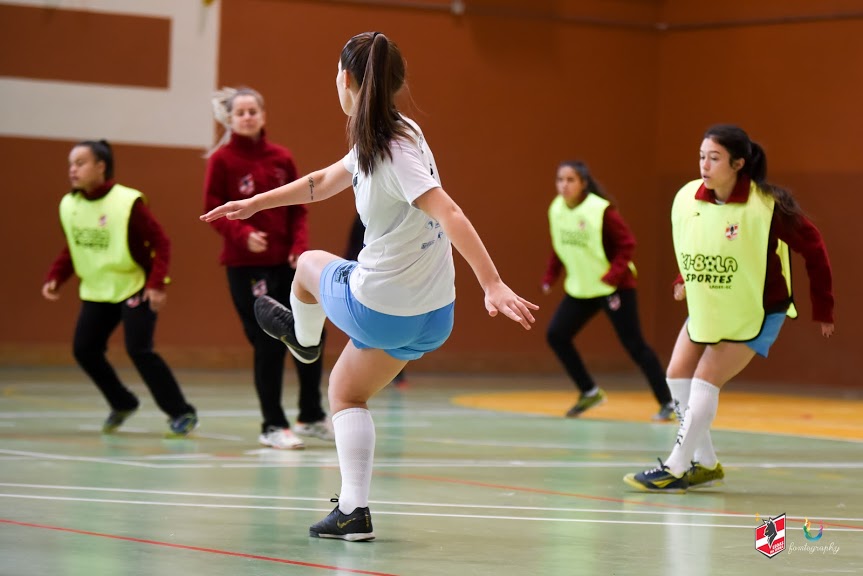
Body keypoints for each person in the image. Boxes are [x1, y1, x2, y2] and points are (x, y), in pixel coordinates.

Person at [201, 31, 538, 541]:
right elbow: (321, 181)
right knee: (347, 392)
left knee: (309, 263)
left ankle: (305, 340)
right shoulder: (397, 132)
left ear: (346, 80)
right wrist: (254, 204)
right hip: (433, 317)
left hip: (379, 305)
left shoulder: (391, 149)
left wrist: (492, 283)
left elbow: (448, 210)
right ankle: (353, 513)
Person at [623, 124, 834, 492]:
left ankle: (675, 467)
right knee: (676, 374)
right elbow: (697, 246)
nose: (704, 164)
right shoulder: (690, 198)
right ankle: (705, 462)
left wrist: (823, 306)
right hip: (714, 301)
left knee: (706, 377)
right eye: (701, 156)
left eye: (714, 157)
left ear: (738, 163)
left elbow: (814, 247)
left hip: (759, 308)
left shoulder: (768, 205)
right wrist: (682, 279)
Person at [203, 87, 333, 450]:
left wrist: (298, 248)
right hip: (246, 268)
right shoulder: (222, 160)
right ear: (230, 119)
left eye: (252, 111)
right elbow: (213, 209)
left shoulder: (281, 158)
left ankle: (311, 416)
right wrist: (242, 234)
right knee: (268, 342)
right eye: (240, 112)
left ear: (262, 115)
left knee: (311, 334)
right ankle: (272, 424)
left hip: (286, 264)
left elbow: (299, 207)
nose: (246, 117)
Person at [42, 140, 198, 436]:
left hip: (133, 286)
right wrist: (56, 276)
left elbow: (161, 243)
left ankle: (181, 412)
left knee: (139, 350)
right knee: (84, 350)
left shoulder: (127, 202)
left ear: (101, 167)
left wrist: (156, 284)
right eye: (71, 164)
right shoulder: (69, 204)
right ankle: (122, 401)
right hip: (98, 289)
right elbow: (72, 247)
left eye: (80, 163)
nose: (73, 170)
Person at [542, 161, 674, 420]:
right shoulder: (556, 210)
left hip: (614, 287)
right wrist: (550, 276)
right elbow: (560, 246)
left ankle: (668, 401)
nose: (564, 185)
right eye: (560, 180)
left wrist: (612, 276)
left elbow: (628, 244)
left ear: (584, 184)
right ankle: (589, 391)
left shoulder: (601, 211)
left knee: (635, 345)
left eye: (570, 180)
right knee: (556, 335)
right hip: (582, 288)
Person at [344, 213, 408, 389]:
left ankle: (396, 374)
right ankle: (359, 370)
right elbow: (352, 251)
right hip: (364, 279)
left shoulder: (401, 219)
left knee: (395, 326)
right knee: (362, 328)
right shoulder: (362, 219)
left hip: (391, 279)